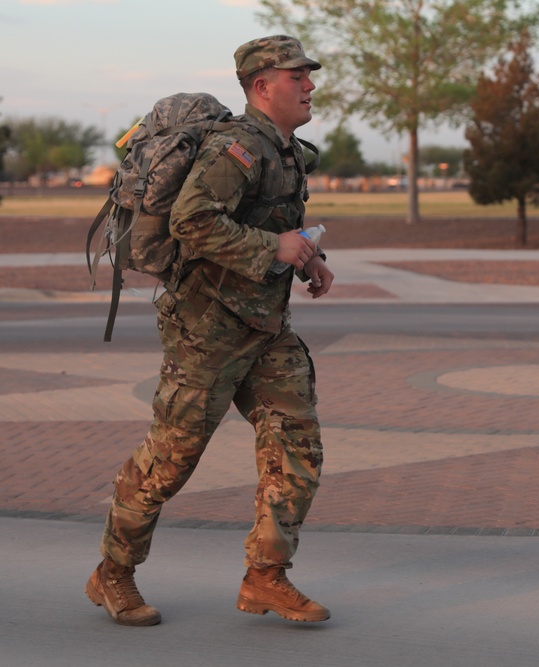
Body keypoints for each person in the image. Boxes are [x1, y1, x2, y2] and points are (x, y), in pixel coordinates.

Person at [85, 35, 335, 626]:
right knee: (170, 461)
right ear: (261, 86)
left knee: (297, 446)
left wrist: (307, 257)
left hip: (266, 329)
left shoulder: (288, 150)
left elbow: (276, 222)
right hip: (207, 331)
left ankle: (266, 578)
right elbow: (192, 222)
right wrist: (273, 246)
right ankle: (112, 572)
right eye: (296, 75)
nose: (309, 85)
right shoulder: (237, 149)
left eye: (308, 75)